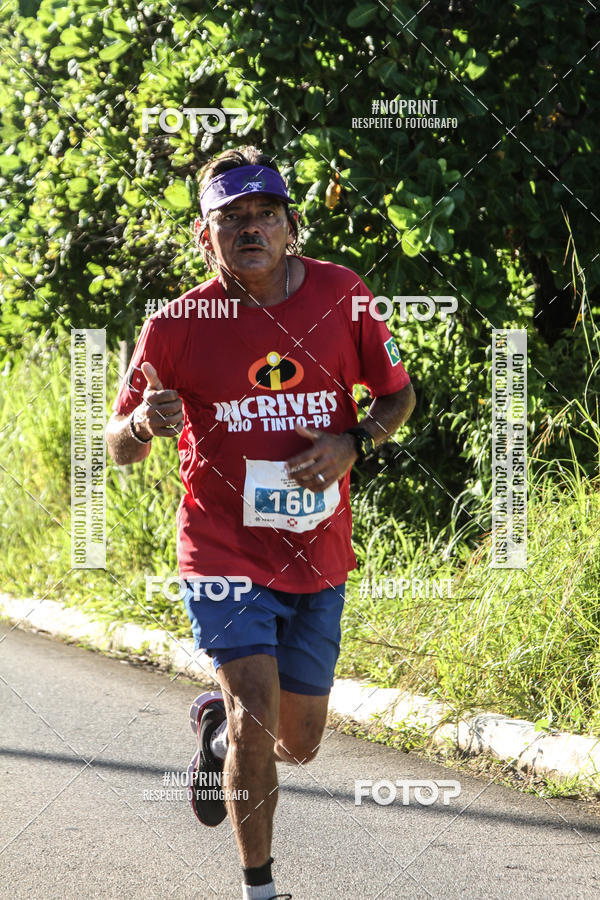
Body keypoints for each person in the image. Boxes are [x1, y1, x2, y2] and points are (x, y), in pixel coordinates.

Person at [106, 146, 416, 900]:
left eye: (265, 215)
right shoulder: (175, 327)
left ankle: (214, 730)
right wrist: (144, 421)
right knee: (256, 718)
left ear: (292, 226)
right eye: (231, 219)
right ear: (202, 235)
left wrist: (354, 441)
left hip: (317, 553)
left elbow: (397, 396)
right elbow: (116, 448)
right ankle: (260, 889)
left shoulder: (345, 297)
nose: (251, 230)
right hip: (221, 552)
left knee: (297, 744)